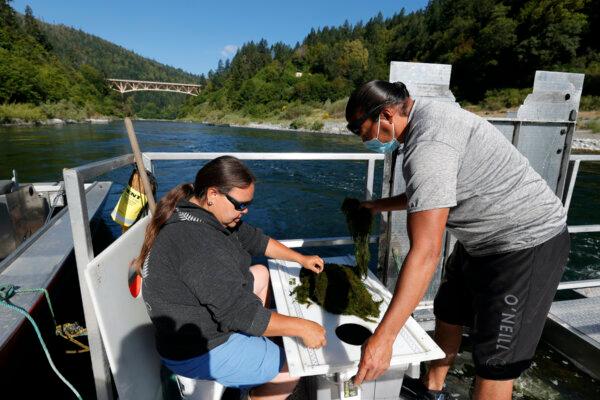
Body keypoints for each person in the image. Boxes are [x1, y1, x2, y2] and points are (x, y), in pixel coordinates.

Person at [345, 81, 570, 400]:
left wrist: (384, 339)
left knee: (496, 361)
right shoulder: (425, 115)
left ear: (385, 114)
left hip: (526, 244)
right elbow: (431, 191)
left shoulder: (429, 146)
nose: (362, 138)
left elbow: (425, 253)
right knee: (449, 310)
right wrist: (378, 206)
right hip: (480, 241)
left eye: (359, 129)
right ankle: (433, 390)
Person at [135, 155, 327, 400]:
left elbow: (258, 241)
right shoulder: (197, 242)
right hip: (196, 351)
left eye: (248, 204)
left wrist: (300, 259)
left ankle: (253, 354)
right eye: (239, 204)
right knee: (294, 366)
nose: (244, 211)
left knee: (260, 273)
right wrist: (303, 327)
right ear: (213, 194)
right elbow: (240, 314)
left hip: (197, 324)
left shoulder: (203, 214)